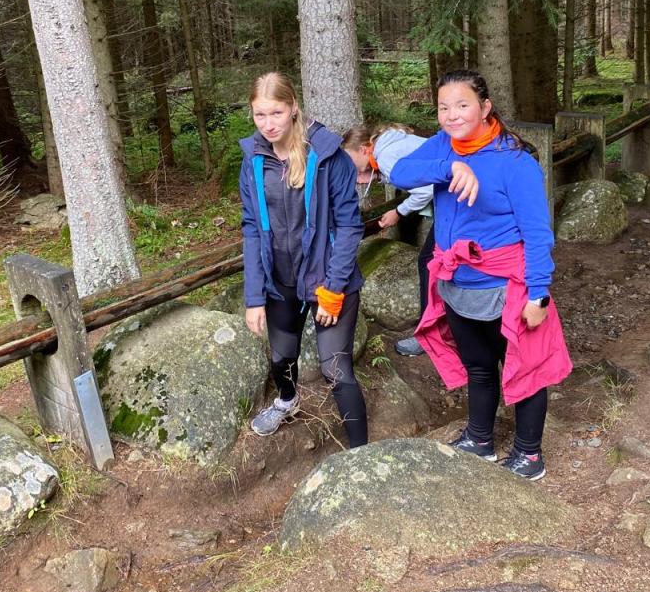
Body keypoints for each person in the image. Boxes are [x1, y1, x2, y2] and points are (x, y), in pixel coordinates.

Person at [388, 69, 572, 481]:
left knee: (525, 369)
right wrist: (451, 167)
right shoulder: (444, 146)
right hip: (457, 281)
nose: (452, 115)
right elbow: (399, 172)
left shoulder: (515, 163)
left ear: (485, 107)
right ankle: (480, 438)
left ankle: (529, 454)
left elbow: (537, 233)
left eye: (462, 105)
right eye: (443, 107)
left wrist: (538, 293)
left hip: (506, 285)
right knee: (479, 365)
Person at [238, 72, 369, 448]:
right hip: (280, 279)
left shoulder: (328, 157)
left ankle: (361, 454)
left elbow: (349, 226)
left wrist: (334, 289)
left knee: (335, 369)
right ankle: (287, 400)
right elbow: (251, 228)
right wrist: (254, 296)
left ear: (293, 107)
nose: (268, 124)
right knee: (281, 358)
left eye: (276, 113)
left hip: (327, 276)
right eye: (260, 115)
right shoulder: (254, 159)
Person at [341, 123, 434, 357]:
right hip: (462, 200)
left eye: (350, 159)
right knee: (431, 262)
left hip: (461, 205)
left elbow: (426, 190)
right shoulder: (389, 148)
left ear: (364, 149)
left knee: (430, 264)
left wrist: (399, 212)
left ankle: (430, 335)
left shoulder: (386, 157)